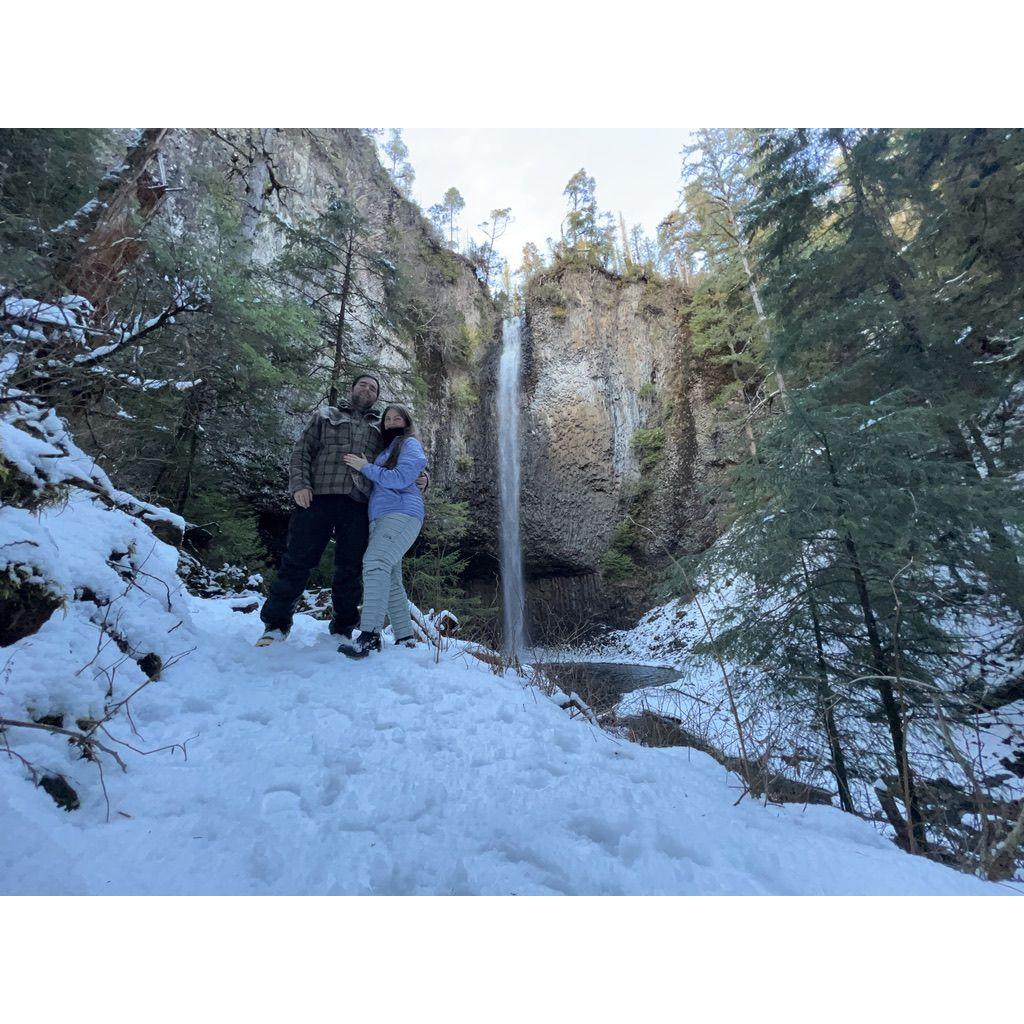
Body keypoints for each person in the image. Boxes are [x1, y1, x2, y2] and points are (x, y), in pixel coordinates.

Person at [256, 375, 425, 647]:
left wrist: (422, 476)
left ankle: (343, 628)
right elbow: (302, 451)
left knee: (350, 568)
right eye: (363, 385)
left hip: (358, 504)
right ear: (352, 388)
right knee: (298, 560)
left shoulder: (380, 429)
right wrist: (300, 484)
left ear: (376, 396)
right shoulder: (326, 415)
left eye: (373, 388)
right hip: (317, 497)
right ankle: (276, 625)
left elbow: (399, 457)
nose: (367, 389)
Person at [336, 403, 427, 658]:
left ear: (407, 423)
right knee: (391, 575)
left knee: (375, 562)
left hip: (402, 512)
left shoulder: (410, 444)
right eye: (387, 419)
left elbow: (400, 478)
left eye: (398, 418)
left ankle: (370, 636)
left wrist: (364, 466)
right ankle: (405, 637)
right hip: (382, 516)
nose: (391, 421)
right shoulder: (387, 449)